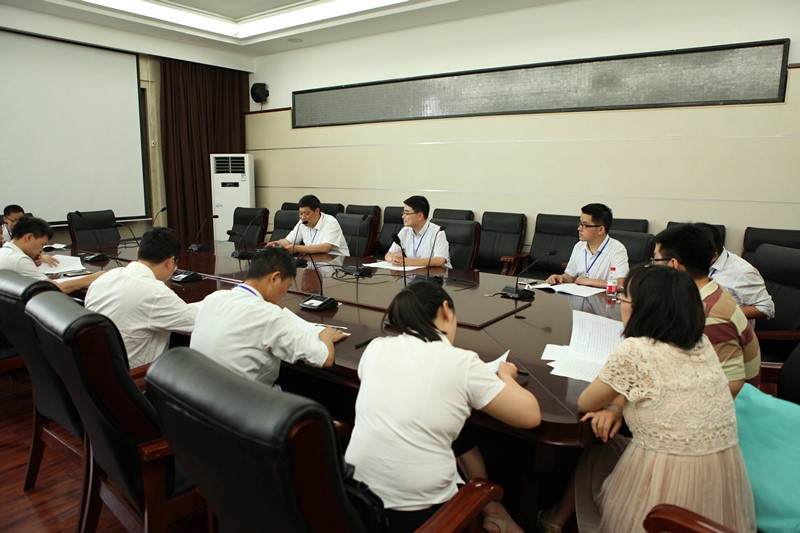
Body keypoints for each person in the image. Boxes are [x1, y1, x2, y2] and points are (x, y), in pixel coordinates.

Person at [539, 265, 756, 533]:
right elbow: (661, 386)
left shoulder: (636, 349)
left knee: (598, 449)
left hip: (665, 481)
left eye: (624, 298)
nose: (620, 304)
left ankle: (553, 520)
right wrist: (617, 406)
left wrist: (612, 403)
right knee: (601, 449)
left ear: (642, 309)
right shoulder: (701, 342)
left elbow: (586, 403)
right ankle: (556, 519)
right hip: (718, 479)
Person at [344, 280, 540, 533]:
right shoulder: (460, 362)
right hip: (418, 516)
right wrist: (506, 375)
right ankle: (497, 515)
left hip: (355, 502)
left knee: (455, 431)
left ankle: (495, 515)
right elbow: (530, 416)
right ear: (446, 309)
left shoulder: (375, 348)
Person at [190, 247, 346, 387]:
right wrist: (325, 335)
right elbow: (324, 359)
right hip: (245, 405)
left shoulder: (213, 298)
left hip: (196, 397)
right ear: (274, 278)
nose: (285, 293)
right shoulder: (269, 314)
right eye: (287, 286)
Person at [654, 223, 760, 395]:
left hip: (724, 404)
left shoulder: (710, 315)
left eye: (656, 260)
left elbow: (731, 386)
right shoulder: (709, 289)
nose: (653, 267)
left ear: (673, 264)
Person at [84, 227, 198, 368]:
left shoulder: (104, 279)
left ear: (138, 252)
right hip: (137, 376)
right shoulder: (155, 292)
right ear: (170, 262)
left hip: (99, 371)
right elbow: (198, 321)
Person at [0, 215, 104, 294]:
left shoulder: (5, 252)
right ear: (29, 237)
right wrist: (94, 277)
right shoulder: (19, 260)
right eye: (42, 244)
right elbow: (56, 289)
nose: (42, 250)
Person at [696, 222, 775, 323]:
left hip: (723, 327)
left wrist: (722, 314)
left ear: (714, 257)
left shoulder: (742, 272)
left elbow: (766, 308)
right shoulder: (688, 263)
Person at [546, 203, 629, 288]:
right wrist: (561, 278)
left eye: (585, 225)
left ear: (600, 230)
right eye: (580, 223)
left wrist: (587, 281)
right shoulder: (579, 246)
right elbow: (571, 276)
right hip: (580, 295)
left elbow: (622, 284)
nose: (579, 228)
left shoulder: (617, 249)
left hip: (602, 296)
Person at [267, 195, 349, 256]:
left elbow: (325, 248)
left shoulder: (331, 222)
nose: (303, 217)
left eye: (306, 213)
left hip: (336, 261)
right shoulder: (302, 222)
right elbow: (288, 241)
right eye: (300, 213)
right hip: (314, 259)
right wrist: (276, 244)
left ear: (317, 211)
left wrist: (298, 248)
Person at [385, 195, 451, 268]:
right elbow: (388, 255)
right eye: (403, 213)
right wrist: (394, 259)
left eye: (407, 213)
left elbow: (440, 260)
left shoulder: (437, 232)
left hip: (437, 273)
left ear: (420, 216)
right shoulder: (405, 231)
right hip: (414, 272)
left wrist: (407, 262)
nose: (403, 216)